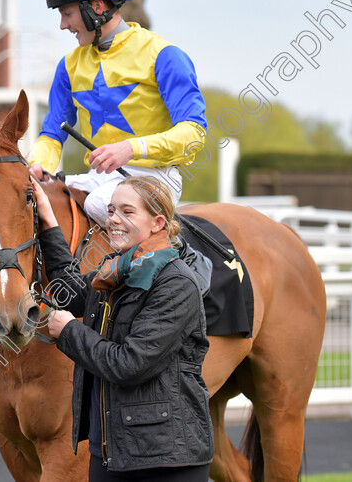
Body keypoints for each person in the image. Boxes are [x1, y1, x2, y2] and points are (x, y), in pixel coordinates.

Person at [33, 175, 213, 481]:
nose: (114, 220)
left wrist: (68, 332)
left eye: (127, 212)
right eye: (112, 210)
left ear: (157, 223)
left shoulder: (176, 282)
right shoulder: (117, 271)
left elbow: (129, 364)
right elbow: (69, 287)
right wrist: (47, 218)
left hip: (166, 463)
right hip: (111, 453)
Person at [29, 0, 209, 227]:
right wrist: (40, 167)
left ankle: (167, 262)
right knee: (32, 199)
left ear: (97, 7)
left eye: (67, 14)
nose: (63, 25)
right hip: (100, 178)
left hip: (155, 178)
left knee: (100, 204)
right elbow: (52, 133)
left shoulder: (164, 55)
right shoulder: (68, 65)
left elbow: (193, 134)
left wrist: (130, 148)